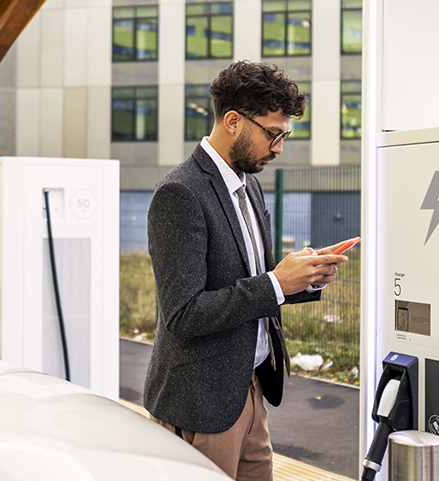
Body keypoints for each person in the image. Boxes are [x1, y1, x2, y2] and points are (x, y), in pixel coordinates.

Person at [144, 60, 352, 480]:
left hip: (250, 386)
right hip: (201, 403)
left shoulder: (248, 182)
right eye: (273, 134)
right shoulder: (180, 193)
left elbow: (251, 280)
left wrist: (304, 277)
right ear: (234, 121)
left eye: (284, 135)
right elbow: (184, 314)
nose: (278, 147)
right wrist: (276, 283)